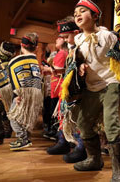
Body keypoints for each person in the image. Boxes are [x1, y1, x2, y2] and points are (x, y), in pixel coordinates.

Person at [69, 0, 120, 182]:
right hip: (90, 86)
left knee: (111, 123)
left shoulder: (108, 36)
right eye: (75, 13)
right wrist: (79, 67)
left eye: (82, 11)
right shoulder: (78, 39)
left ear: (95, 16)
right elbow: (78, 61)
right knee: (83, 123)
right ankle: (94, 159)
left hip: (110, 82)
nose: (77, 15)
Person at [46, 17, 88, 164]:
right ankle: (64, 142)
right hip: (69, 88)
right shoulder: (72, 48)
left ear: (76, 32)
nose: (64, 40)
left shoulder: (84, 45)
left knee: (79, 119)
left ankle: (82, 148)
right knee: (65, 116)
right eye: (62, 37)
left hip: (82, 89)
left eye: (66, 37)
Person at [7, 32, 43, 151]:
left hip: (22, 94)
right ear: (36, 48)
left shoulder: (17, 61)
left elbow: (16, 81)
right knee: (27, 117)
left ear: (22, 46)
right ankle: (26, 139)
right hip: (36, 93)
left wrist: (18, 95)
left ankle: (22, 139)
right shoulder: (34, 61)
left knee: (14, 117)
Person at [43, 36, 68, 142]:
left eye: (61, 37)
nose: (57, 39)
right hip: (55, 85)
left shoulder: (62, 53)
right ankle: (55, 131)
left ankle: (58, 133)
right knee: (55, 110)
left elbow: (59, 70)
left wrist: (47, 68)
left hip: (59, 86)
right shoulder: (60, 53)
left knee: (57, 110)